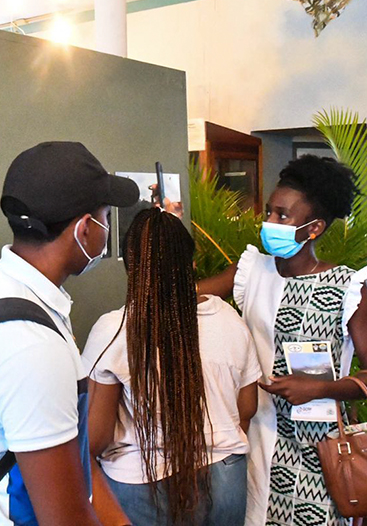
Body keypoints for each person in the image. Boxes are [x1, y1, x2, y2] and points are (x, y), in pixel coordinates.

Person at [0, 141, 139, 526]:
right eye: (105, 215)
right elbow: (65, 518)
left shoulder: (3, 292)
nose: (106, 225)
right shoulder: (30, 346)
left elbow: (73, 463)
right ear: (86, 229)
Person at [197, 155, 367, 526]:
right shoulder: (251, 272)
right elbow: (190, 296)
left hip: (324, 449)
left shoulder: (349, 287)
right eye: (268, 212)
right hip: (256, 437)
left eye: (282, 216)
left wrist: (319, 389)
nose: (269, 222)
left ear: (314, 228)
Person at [82, 207, 260, 526]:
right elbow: (248, 407)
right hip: (226, 478)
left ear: (132, 267)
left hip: (141, 480)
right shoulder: (231, 322)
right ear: (190, 263)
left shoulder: (113, 330)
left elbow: (97, 437)